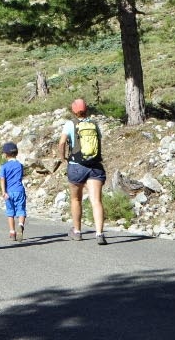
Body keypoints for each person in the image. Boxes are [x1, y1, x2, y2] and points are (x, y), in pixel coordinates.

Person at [57, 98, 107, 245]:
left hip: (76, 165)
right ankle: (99, 234)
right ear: (87, 109)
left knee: (76, 199)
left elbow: (61, 143)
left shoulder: (70, 124)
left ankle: (77, 231)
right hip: (95, 166)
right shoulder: (94, 124)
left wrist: (63, 158)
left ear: (74, 110)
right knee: (96, 201)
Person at [0, 141, 27, 242]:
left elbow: (2, 179)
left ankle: (12, 232)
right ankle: (20, 225)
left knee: (10, 212)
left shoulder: (4, 167)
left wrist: (3, 191)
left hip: (9, 192)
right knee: (21, 210)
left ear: (5, 154)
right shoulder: (20, 165)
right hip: (19, 190)